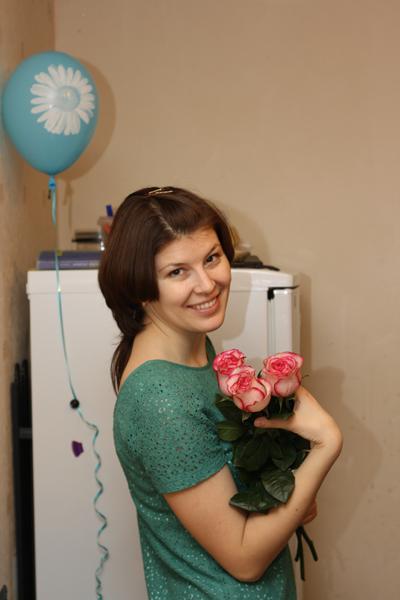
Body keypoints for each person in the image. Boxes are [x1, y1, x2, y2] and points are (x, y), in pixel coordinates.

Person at [98, 186, 342, 600]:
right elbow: (244, 558)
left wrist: (286, 493)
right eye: (177, 272)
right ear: (139, 286)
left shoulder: (195, 351)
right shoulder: (160, 398)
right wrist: (326, 443)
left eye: (211, 258)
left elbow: (229, 496)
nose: (207, 284)